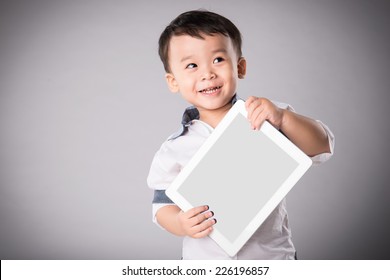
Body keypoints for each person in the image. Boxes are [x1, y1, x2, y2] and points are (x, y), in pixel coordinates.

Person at [147, 10, 334, 259]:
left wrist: (284, 118)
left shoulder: (267, 116)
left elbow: (322, 145)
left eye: (218, 60)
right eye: (192, 65)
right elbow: (162, 206)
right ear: (173, 81)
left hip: (272, 259)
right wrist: (180, 223)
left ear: (240, 66)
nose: (207, 73)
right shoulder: (174, 148)